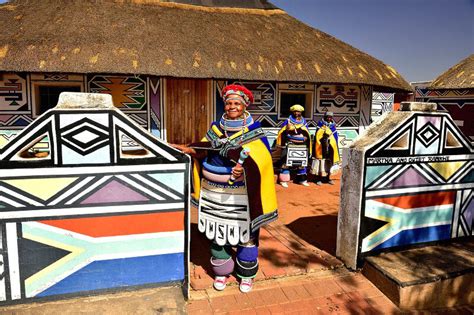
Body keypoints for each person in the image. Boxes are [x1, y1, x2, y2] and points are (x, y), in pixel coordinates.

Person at [171, 84, 278, 293]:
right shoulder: (216, 128)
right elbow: (203, 148)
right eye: (229, 103)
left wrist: (245, 168)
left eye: (237, 103)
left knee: (246, 235)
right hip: (214, 193)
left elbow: (263, 159)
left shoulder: (255, 131)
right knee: (217, 233)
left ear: (244, 105)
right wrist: (190, 149)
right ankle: (221, 272)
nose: (232, 106)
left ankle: (246, 275)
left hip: (242, 196)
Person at [275, 104, 312, 187]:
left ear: (301, 112)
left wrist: (306, 136)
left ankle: (301, 180)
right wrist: (288, 129)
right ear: (292, 112)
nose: (296, 113)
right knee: (286, 162)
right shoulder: (288, 120)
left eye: (298, 111)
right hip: (290, 143)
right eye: (295, 111)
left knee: (302, 162)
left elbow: (307, 131)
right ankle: (283, 180)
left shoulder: (304, 121)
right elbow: (282, 131)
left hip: (301, 144)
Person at [310, 111, 340, 185]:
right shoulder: (320, 124)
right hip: (321, 147)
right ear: (325, 117)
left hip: (330, 147)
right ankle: (318, 179)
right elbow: (318, 134)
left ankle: (328, 178)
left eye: (330, 117)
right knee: (320, 162)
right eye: (328, 117)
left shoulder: (333, 125)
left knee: (329, 162)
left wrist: (333, 143)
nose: (329, 118)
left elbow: (335, 136)